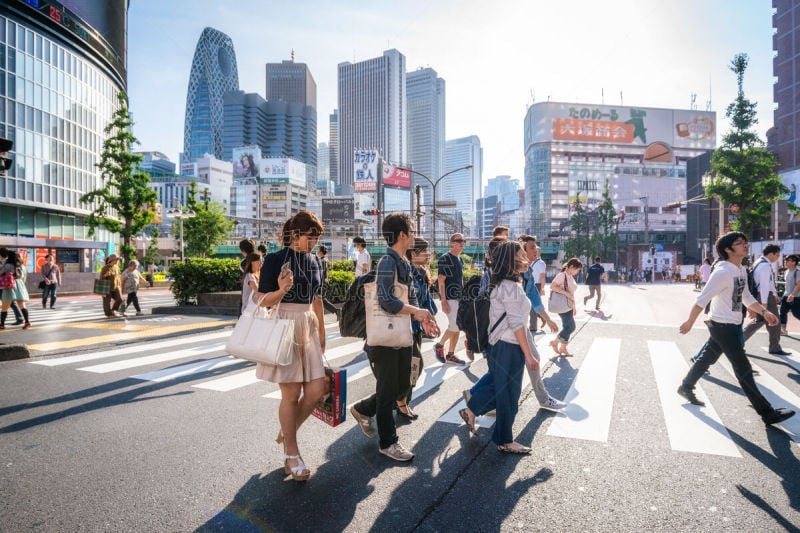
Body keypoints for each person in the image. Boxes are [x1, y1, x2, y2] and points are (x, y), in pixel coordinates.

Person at [677, 232, 795, 426]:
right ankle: (767, 413)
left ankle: (686, 386)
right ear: (728, 249)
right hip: (723, 326)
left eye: (745, 242)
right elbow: (702, 299)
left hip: (730, 323)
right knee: (744, 369)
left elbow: (746, 296)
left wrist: (764, 312)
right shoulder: (723, 272)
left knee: (707, 357)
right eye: (739, 243)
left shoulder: (740, 269)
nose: (745, 245)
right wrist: (689, 322)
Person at [350, 213, 436, 462]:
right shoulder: (388, 262)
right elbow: (386, 300)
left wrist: (425, 318)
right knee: (389, 390)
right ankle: (388, 443)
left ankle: (362, 409)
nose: (413, 236)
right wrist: (415, 312)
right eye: (411, 231)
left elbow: (411, 298)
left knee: (402, 386)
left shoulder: (404, 262)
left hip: (402, 332)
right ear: (402, 235)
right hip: (385, 336)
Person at [255, 211, 326, 482]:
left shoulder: (315, 261)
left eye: (317, 238)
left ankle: (288, 431)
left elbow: (317, 298)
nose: (313, 243)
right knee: (291, 393)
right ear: (295, 234)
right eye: (311, 237)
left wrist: (322, 332)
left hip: (307, 324)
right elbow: (262, 301)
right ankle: (292, 454)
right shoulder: (274, 259)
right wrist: (282, 289)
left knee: (317, 390)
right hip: (284, 323)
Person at [458, 240, 540, 454]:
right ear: (512, 259)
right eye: (522, 253)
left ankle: (471, 411)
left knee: (498, 387)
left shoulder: (509, 283)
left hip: (502, 345)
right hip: (507, 346)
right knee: (509, 397)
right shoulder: (510, 287)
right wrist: (529, 355)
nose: (526, 256)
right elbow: (516, 323)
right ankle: (504, 440)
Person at [398, 237, 440, 419]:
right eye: (425, 251)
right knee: (416, 364)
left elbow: (427, 302)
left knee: (413, 365)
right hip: (404, 326)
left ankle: (403, 400)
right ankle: (400, 401)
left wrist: (431, 320)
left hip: (417, 327)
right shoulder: (406, 272)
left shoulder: (422, 273)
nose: (428, 254)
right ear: (414, 253)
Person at [742, 244, 790, 356]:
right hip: (764, 297)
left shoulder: (758, 262)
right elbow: (764, 286)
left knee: (761, 321)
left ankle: (738, 343)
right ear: (771, 254)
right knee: (774, 321)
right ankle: (774, 347)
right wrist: (764, 305)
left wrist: (774, 293)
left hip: (764, 296)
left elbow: (767, 283)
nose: (778, 257)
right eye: (777, 255)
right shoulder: (765, 266)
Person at [434, 233, 467, 364]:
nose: (462, 243)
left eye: (463, 240)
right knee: (455, 325)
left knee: (457, 327)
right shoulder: (445, 258)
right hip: (449, 297)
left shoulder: (459, 259)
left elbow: (460, 280)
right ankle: (439, 345)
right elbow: (441, 281)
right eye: (459, 240)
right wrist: (443, 301)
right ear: (451, 243)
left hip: (459, 298)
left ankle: (451, 354)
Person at [548, 258, 582, 356]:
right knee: (571, 327)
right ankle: (555, 343)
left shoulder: (570, 276)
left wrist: (574, 306)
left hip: (568, 305)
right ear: (571, 267)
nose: (578, 272)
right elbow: (552, 286)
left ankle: (563, 348)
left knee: (566, 327)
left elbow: (571, 293)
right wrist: (565, 293)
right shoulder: (562, 275)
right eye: (577, 269)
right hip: (562, 305)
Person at [0, 248, 31, 330]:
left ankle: (2, 324)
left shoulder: (7, 266)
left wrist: (3, 265)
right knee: (22, 305)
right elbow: (24, 278)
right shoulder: (22, 266)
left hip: (9, 285)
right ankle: (27, 321)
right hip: (20, 285)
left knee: (5, 307)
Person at [315, 245, 340, 319]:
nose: (317, 251)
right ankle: (337, 311)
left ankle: (337, 311)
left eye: (318, 250)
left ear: (321, 252)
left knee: (322, 300)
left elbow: (320, 274)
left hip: (322, 283)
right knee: (321, 300)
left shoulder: (322, 261)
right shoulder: (323, 260)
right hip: (323, 283)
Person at [779, 254, 800, 335]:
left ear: (794, 262)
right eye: (786, 260)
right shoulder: (786, 271)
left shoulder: (797, 272)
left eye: (788, 261)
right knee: (782, 312)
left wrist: (792, 295)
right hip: (786, 295)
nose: (786, 262)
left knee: (796, 314)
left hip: (796, 297)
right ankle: (783, 329)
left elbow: (799, 285)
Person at [100, 255, 124, 319]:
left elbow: (119, 277)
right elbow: (101, 278)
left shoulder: (117, 267)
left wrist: (120, 285)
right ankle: (108, 314)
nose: (117, 261)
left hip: (116, 287)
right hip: (107, 287)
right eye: (116, 260)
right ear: (112, 260)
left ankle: (113, 310)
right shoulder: (104, 268)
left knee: (120, 299)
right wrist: (105, 275)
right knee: (107, 301)